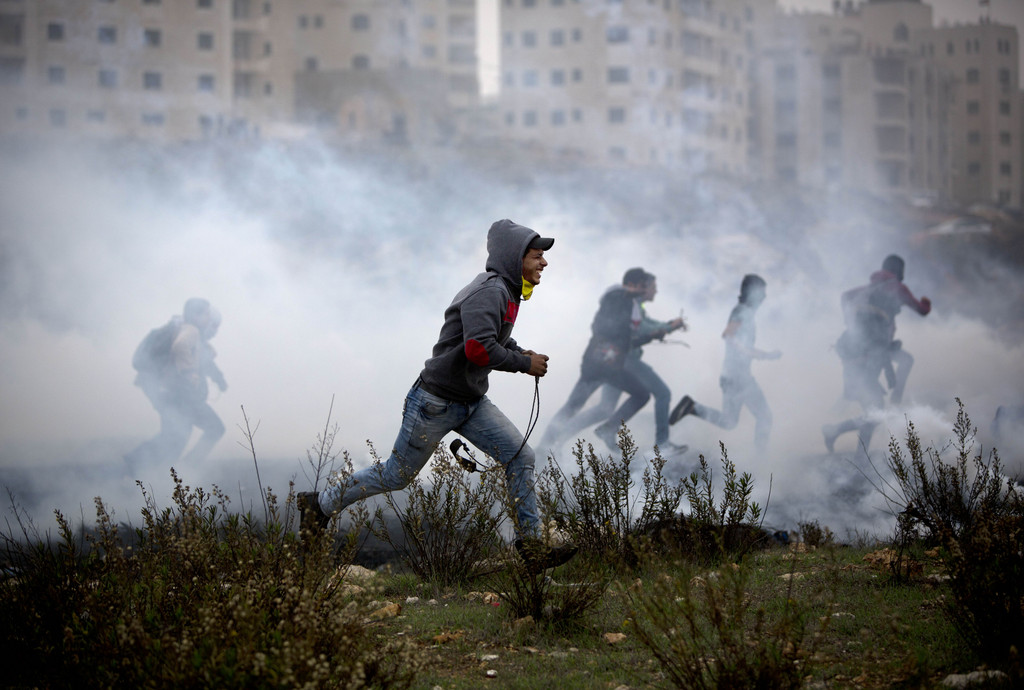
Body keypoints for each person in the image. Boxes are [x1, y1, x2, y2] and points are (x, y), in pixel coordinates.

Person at [298, 219, 576, 572]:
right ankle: (318, 506)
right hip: (434, 403)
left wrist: (522, 352)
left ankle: (532, 548)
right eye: (537, 256)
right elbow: (478, 349)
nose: (544, 263)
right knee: (396, 475)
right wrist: (524, 364)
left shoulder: (507, 291)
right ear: (515, 258)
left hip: (472, 402)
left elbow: (495, 338)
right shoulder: (490, 292)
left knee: (521, 456)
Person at [538, 270, 687, 454]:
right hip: (597, 366)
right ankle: (544, 448)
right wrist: (660, 326)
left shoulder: (631, 305)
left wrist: (650, 337)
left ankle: (593, 432)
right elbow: (606, 323)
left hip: (612, 367)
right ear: (634, 285)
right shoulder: (617, 298)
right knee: (574, 406)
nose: (651, 291)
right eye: (646, 287)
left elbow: (627, 339)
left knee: (621, 402)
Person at [822, 254, 931, 453]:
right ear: (899, 273)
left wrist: (851, 322)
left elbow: (845, 296)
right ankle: (837, 432)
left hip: (861, 352)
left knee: (873, 409)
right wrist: (926, 302)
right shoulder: (897, 288)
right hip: (870, 353)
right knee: (875, 410)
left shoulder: (864, 291)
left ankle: (857, 454)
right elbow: (922, 310)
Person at [670, 274, 780, 451]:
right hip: (738, 378)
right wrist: (753, 353)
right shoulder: (741, 311)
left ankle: (692, 407)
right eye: (762, 292)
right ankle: (760, 459)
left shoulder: (745, 312)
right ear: (752, 293)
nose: (764, 297)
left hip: (735, 376)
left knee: (730, 422)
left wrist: (763, 354)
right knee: (765, 417)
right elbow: (728, 335)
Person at [125, 297, 227, 470]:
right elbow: (182, 349)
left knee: (176, 437)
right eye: (207, 316)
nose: (210, 323)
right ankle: (180, 470)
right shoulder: (190, 332)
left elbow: (205, 361)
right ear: (196, 315)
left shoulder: (185, 332)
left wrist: (218, 378)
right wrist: (190, 374)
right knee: (205, 430)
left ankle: (139, 469)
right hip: (176, 393)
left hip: (170, 392)